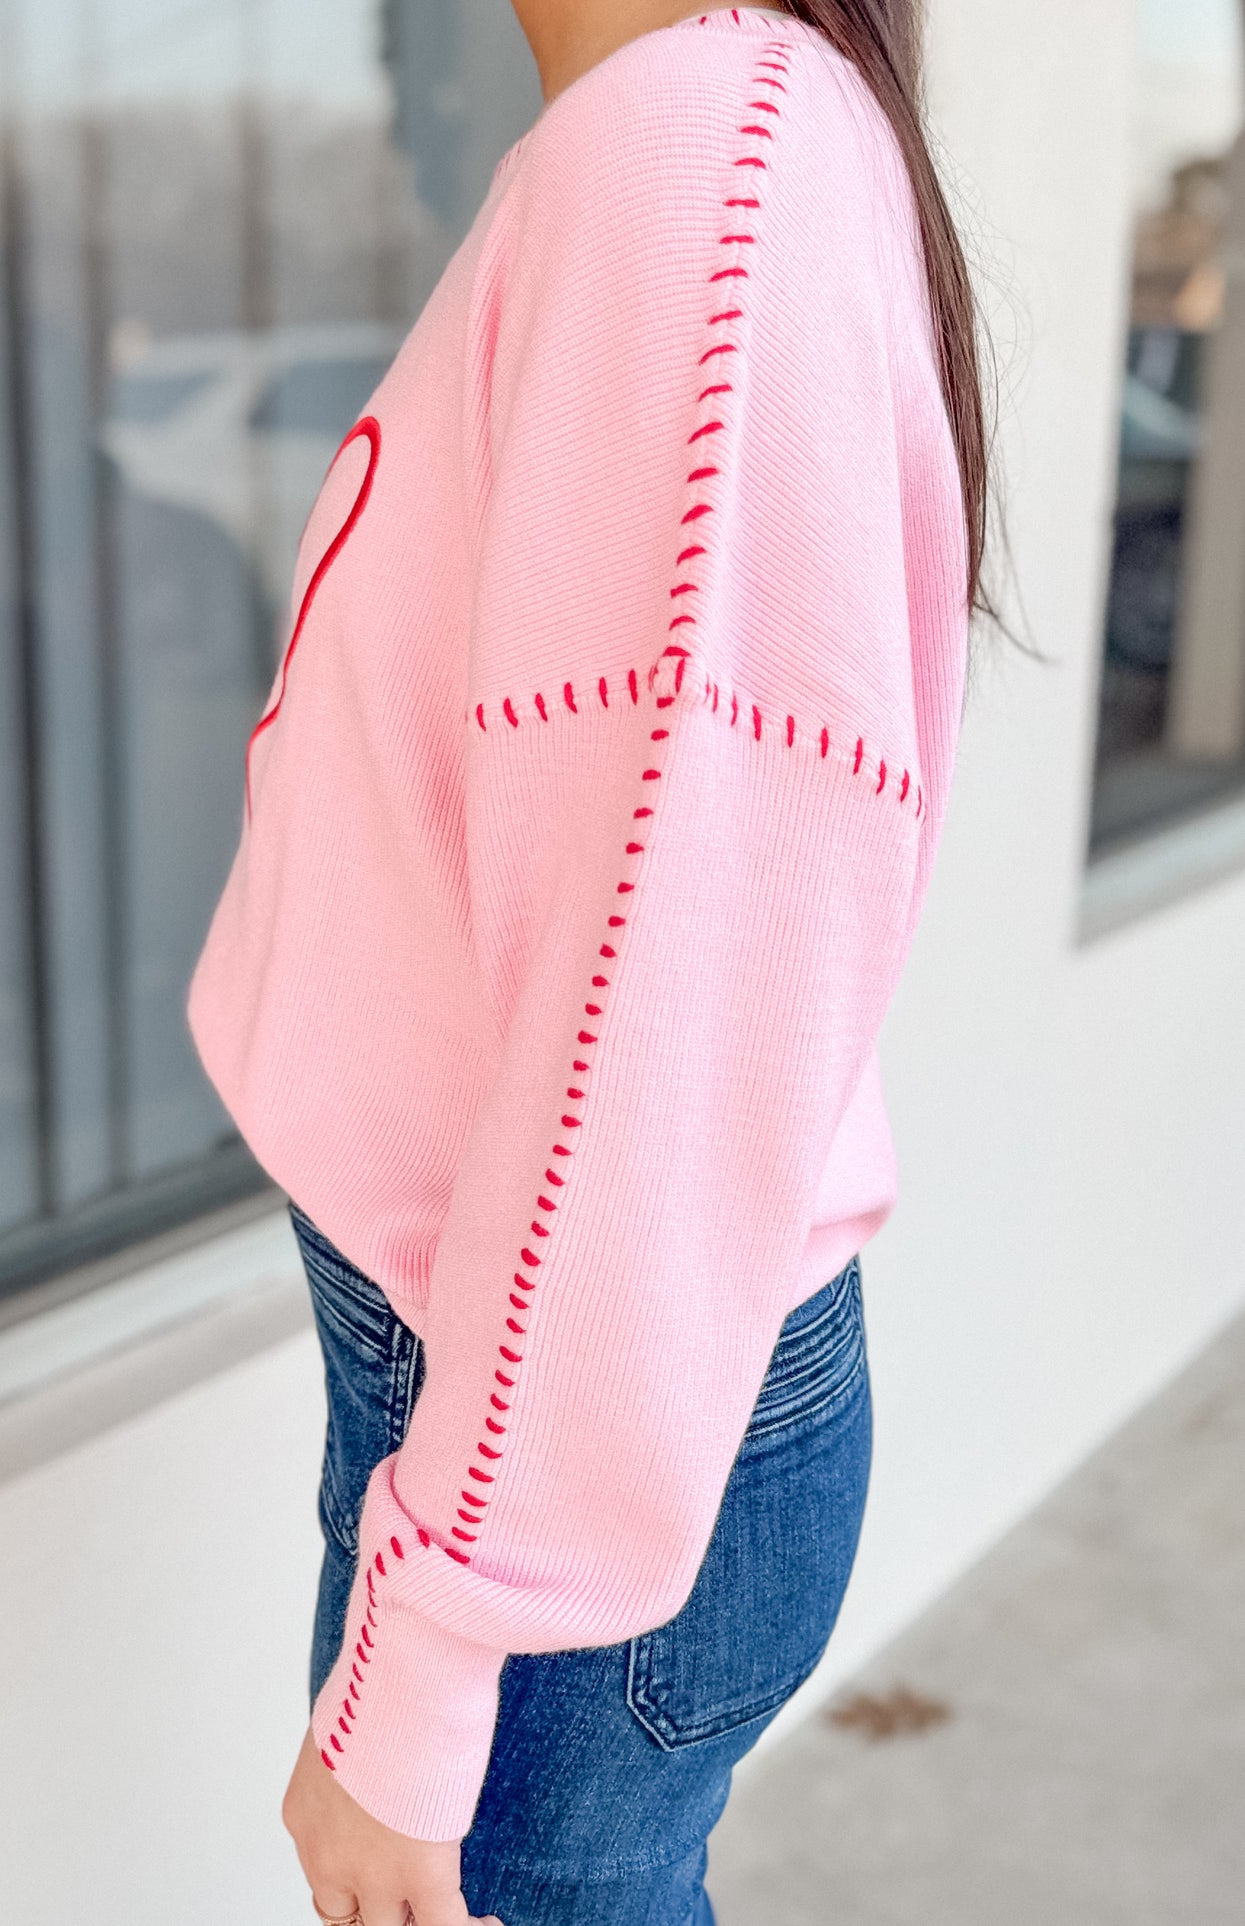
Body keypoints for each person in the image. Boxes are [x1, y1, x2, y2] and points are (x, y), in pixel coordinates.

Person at [187, 3, 988, 1921]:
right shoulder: (694, 144)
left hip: (545, 1438)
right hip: (542, 1405)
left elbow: (667, 977)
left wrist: (443, 1631)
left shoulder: (699, 161)